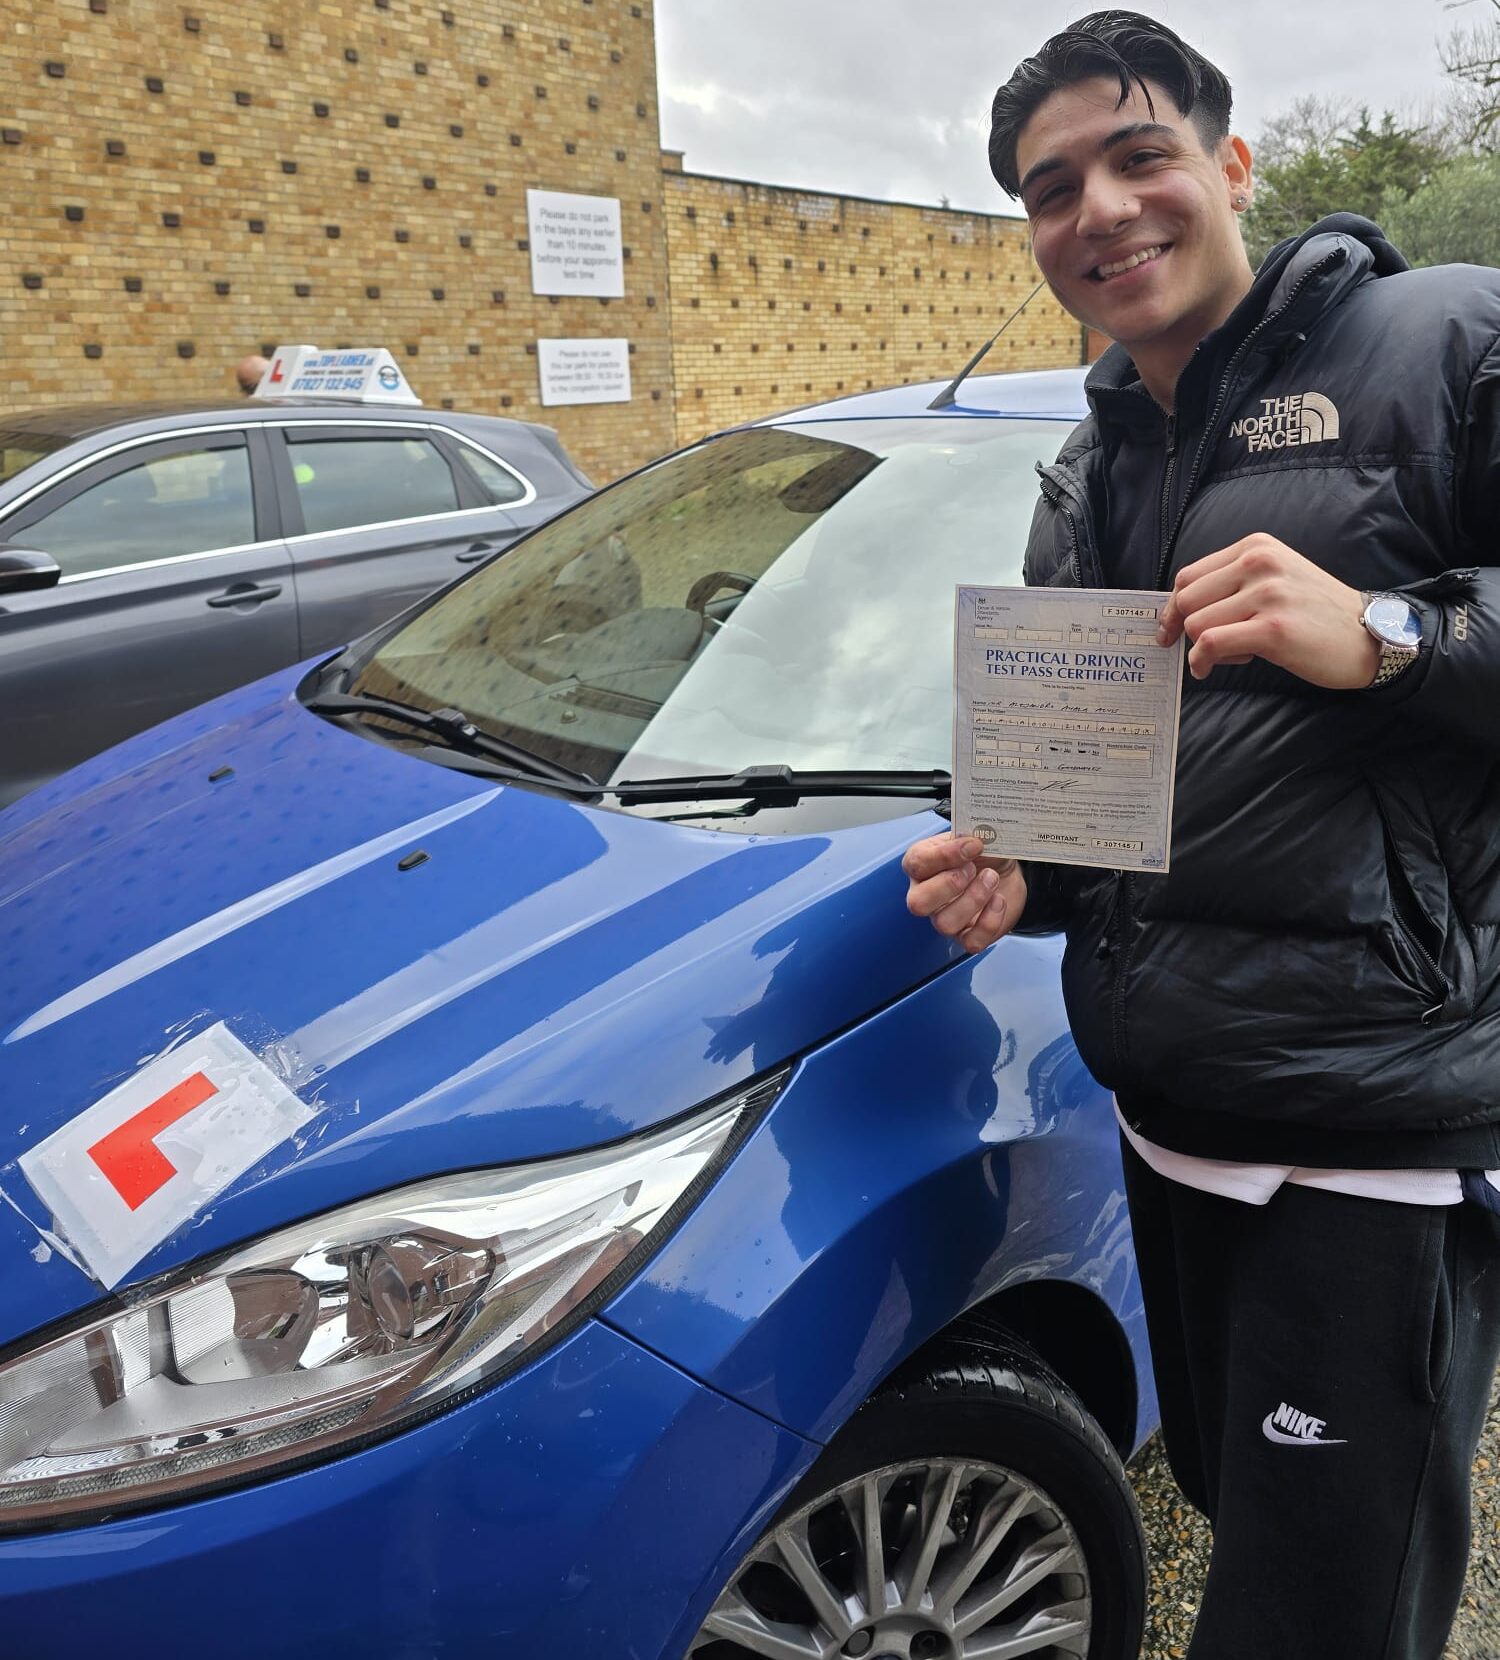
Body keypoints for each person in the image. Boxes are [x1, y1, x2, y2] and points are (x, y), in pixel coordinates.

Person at [901, 13, 1500, 1659]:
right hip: (1167, 1122)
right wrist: (1023, 869)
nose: (1096, 208)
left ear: (1235, 168)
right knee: (1260, 1532)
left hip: (1364, 1132)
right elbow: (1113, 798)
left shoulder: (1443, 339)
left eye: (1138, 154)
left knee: (1314, 1619)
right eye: (1048, 188)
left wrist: (1390, 629)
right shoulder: (1092, 466)